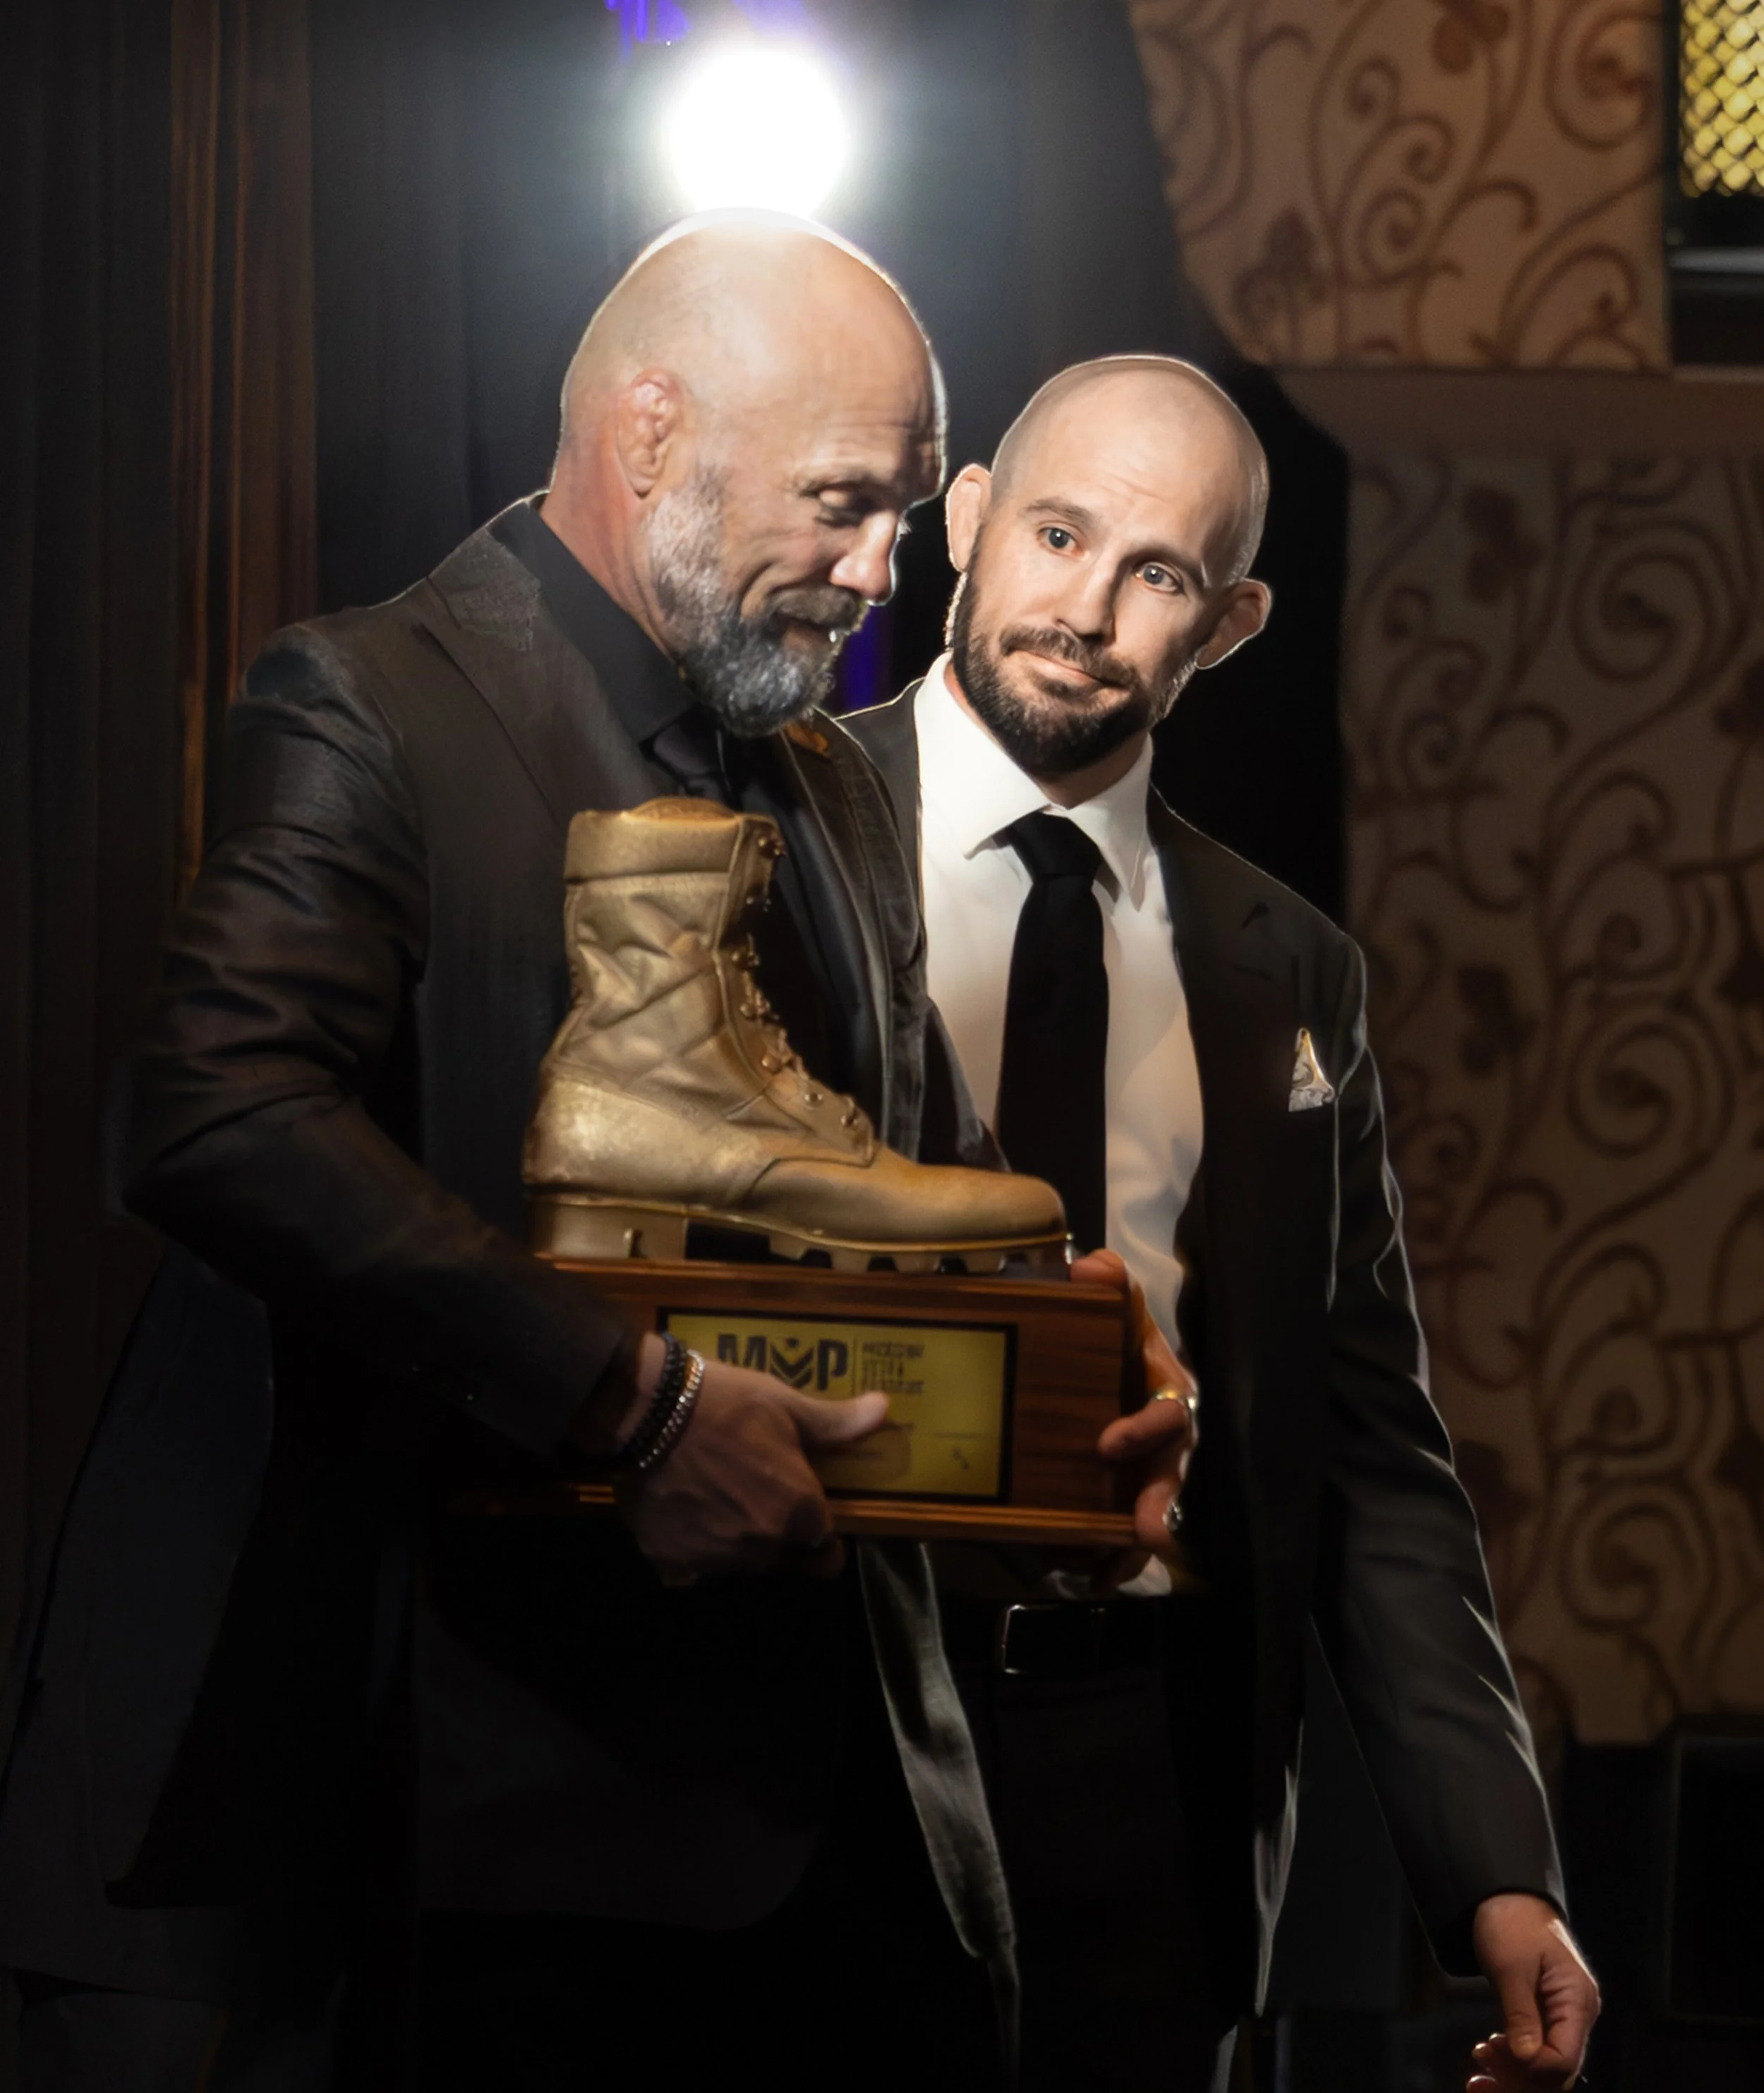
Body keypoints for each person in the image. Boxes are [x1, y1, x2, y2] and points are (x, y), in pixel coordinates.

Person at [0, 217, 1085, 2092]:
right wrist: (633, 1404)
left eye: (898, 515)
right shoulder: (373, 697)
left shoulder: (826, 780)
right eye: (842, 502)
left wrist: (1066, 1436)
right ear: (651, 433)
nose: (878, 569)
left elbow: (941, 1209)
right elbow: (216, 1110)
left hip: (810, 1871)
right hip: (401, 1848)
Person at [849, 356, 1602, 2093]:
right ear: (964, 520)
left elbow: (1371, 1452)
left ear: (1231, 621)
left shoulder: (1290, 970)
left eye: (1160, 574)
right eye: (1054, 532)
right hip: (829, 1737)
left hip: (1155, 1787)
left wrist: (1493, 1862)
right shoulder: (764, 835)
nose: (1087, 611)